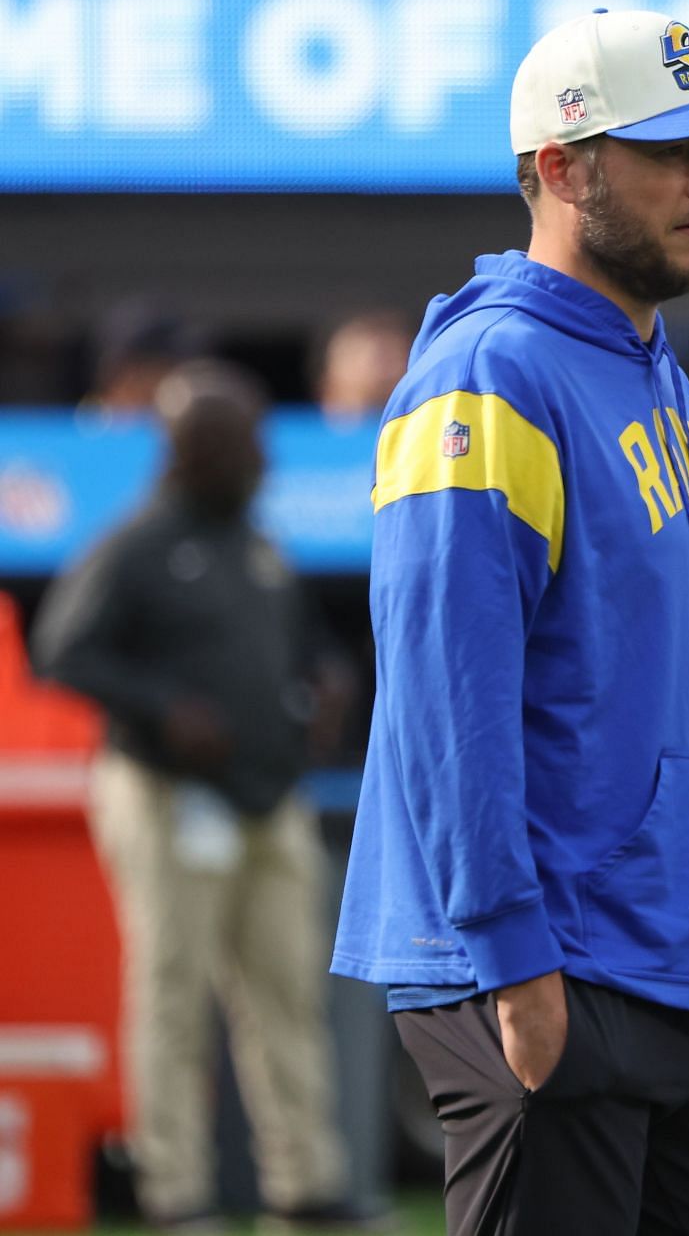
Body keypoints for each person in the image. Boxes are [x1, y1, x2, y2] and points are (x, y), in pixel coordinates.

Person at [328, 10, 689, 1234]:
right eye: (670, 152)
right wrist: (512, 958)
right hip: (555, 964)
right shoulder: (489, 375)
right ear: (559, 167)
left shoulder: (654, 363)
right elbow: (447, 694)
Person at [32, 362, 354, 1227]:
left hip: (265, 795)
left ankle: (307, 1183)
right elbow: (63, 648)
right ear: (198, 450)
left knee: (287, 994)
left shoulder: (255, 543)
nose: (263, 458)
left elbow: (313, 646)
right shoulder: (136, 544)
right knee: (172, 994)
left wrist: (325, 681)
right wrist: (164, 710)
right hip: (167, 794)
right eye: (246, 441)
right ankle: (176, 1192)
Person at [312, 309, 413, 421]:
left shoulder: (426, 433)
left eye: (396, 356)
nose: (387, 368)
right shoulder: (294, 433)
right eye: (380, 357)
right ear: (327, 384)